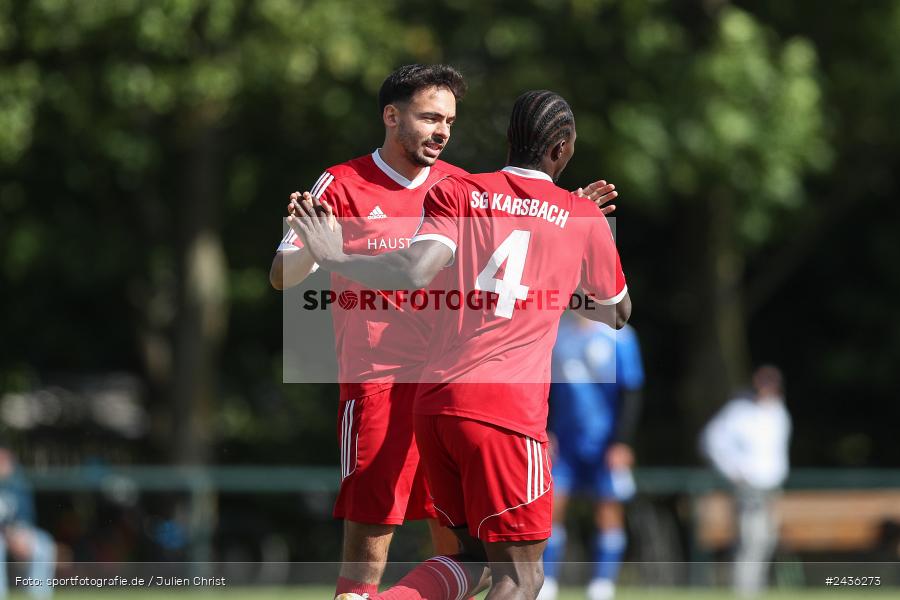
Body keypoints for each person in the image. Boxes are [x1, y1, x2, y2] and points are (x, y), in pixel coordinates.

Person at [269, 65, 619, 598]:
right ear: (391, 115)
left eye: (449, 121)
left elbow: (517, 269)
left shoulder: (461, 187)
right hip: (379, 384)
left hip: (446, 382)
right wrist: (317, 249)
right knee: (371, 544)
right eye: (430, 117)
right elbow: (282, 275)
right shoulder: (341, 183)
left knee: (461, 554)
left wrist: (565, 224)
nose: (442, 131)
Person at [539, 316, 644, 600]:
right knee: (551, 508)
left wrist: (621, 442)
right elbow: (544, 384)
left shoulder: (620, 337)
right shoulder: (555, 332)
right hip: (564, 441)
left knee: (608, 509)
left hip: (604, 443)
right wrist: (546, 427)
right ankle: (547, 581)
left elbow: (631, 391)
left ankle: (602, 583)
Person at [700, 365, 791, 598]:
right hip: (749, 486)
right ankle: (744, 592)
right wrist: (733, 470)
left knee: (766, 540)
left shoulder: (779, 412)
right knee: (751, 539)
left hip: (771, 488)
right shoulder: (739, 411)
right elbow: (711, 441)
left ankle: (755, 590)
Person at [0, 447, 55, 599]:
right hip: (2, 535)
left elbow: (25, 519)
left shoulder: (18, 486)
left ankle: (38, 595)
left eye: (5, 462)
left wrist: (20, 535)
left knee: (44, 543)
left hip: (16, 533)